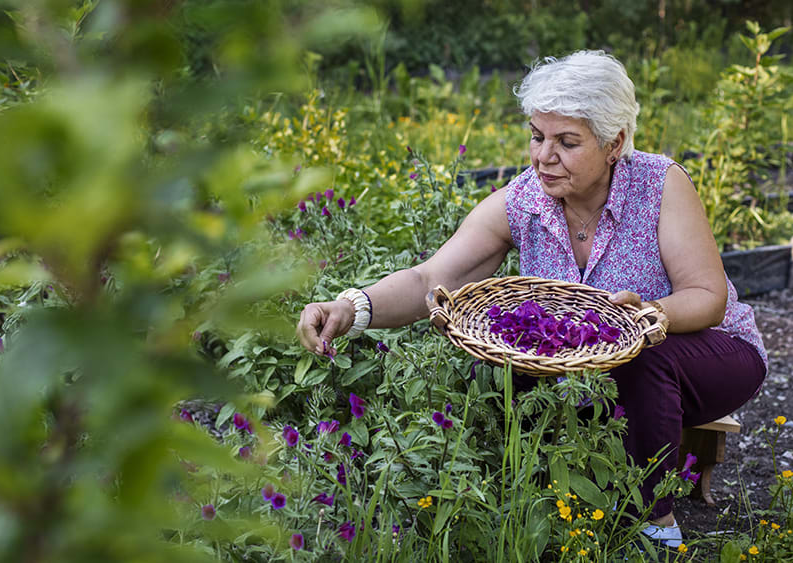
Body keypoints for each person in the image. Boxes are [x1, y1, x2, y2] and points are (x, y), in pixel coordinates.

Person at [296, 50, 766, 549]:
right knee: (503, 357)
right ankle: (528, 504)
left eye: (567, 142)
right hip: (592, 375)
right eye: (538, 137)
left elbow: (707, 296)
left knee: (640, 360)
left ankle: (656, 525)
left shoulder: (658, 184)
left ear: (615, 143)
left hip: (708, 351)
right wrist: (351, 307)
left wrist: (648, 315)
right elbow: (431, 278)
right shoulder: (526, 200)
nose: (544, 156)